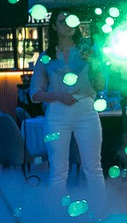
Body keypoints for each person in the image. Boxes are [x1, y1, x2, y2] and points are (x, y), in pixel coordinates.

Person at [30, 14, 108, 207]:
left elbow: (100, 85)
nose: (68, 24)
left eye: (71, 20)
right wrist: (57, 95)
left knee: (93, 167)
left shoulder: (87, 52)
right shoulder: (46, 57)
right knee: (58, 170)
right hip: (57, 112)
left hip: (86, 109)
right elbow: (35, 93)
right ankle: (56, 215)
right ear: (54, 27)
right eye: (62, 22)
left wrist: (94, 63)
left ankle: (101, 213)